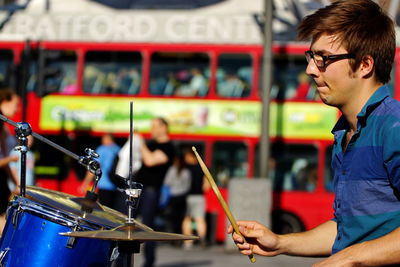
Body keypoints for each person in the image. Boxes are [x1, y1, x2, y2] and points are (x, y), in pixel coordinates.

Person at [229, 1, 400, 266]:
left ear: (365, 65)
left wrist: (347, 259)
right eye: (311, 57)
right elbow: (347, 231)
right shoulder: (345, 133)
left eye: (324, 59)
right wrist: (280, 242)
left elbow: (350, 251)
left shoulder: (394, 127)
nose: (311, 69)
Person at [135, 117, 175, 267]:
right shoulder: (151, 143)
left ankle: (149, 262)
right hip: (138, 188)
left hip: (152, 190)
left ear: (164, 127)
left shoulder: (168, 147)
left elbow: (150, 160)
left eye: (155, 126)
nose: (151, 129)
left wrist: (140, 143)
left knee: (148, 226)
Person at [79, 133, 120, 211]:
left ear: (107, 139)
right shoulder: (118, 149)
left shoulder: (102, 149)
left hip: (104, 185)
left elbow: (93, 167)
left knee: (101, 211)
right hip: (116, 186)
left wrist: (85, 184)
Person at [0, 88, 20, 235]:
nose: (17, 108)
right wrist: (11, 159)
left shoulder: (4, 125)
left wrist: (15, 182)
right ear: (5, 102)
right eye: (15, 104)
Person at [182, 148, 209, 250]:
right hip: (199, 197)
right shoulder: (203, 168)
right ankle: (202, 239)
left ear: (190, 156)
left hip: (187, 197)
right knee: (200, 219)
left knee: (187, 219)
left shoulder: (185, 168)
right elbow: (206, 186)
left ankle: (188, 242)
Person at [162, 153, 191, 235]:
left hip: (173, 197)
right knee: (180, 218)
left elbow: (166, 182)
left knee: (172, 218)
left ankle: (173, 235)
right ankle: (179, 235)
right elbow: (188, 186)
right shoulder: (186, 171)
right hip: (182, 197)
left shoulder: (172, 170)